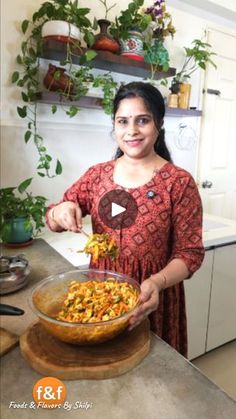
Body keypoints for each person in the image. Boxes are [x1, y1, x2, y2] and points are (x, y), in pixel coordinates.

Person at [46, 82, 205, 357]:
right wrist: (60, 211)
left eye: (142, 120)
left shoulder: (178, 183)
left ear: (159, 123)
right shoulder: (97, 175)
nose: (131, 130)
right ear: (114, 125)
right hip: (101, 295)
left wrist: (156, 282)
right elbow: (54, 218)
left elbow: (190, 253)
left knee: (155, 378)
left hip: (154, 297)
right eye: (123, 121)